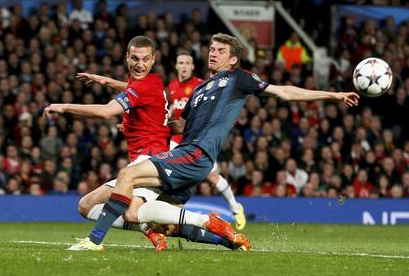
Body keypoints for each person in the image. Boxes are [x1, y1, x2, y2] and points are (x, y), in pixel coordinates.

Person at [52, 33, 358, 251]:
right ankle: (229, 240)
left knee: (127, 176)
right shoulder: (199, 90)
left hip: (194, 156)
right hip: (186, 153)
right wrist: (154, 121)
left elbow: (284, 91)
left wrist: (333, 94)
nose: (213, 53)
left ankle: (94, 242)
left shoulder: (238, 78)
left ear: (233, 59)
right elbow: (170, 112)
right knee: (151, 220)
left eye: (221, 50)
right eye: (212, 48)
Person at [45, 35, 248, 252]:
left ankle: (95, 241)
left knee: (131, 212)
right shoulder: (150, 84)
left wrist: (64, 106)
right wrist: (106, 82)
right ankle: (227, 240)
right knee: (86, 206)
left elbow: (106, 112)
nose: (139, 64)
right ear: (127, 58)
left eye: (145, 59)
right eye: (134, 59)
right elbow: (140, 95)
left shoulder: (146, 85)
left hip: (151, 157)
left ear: (153, 60)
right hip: (148, 155)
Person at [168, 50, 246, 230]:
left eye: (187, 63)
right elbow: (174, 118)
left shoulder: (201, 85)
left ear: (192, 67)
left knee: (212, 177)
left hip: (198, 140)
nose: (184, 66)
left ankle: (235, 207)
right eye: (181, 63)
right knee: (172, 179)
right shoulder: (171, 87)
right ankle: (171, 217)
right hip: (177, 140)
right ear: (176, 66)